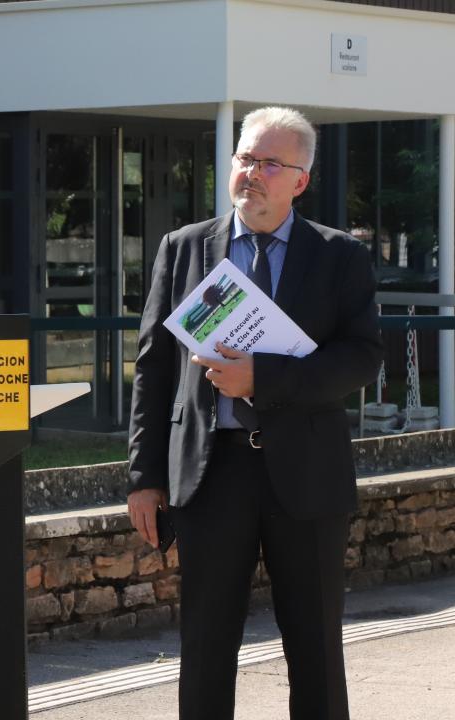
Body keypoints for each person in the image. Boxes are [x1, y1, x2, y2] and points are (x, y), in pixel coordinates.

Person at [126, 106, 382, 720]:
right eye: (246, 158)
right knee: (206, 646)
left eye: (271, 163)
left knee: (315, 647)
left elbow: (363, 358)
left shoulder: (339, 256)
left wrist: (262, 379)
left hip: (307, 476)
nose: (252, 174)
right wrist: (144, 476)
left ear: (301, 180)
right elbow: (153, 368)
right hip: (211, 475)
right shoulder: (184, 248)